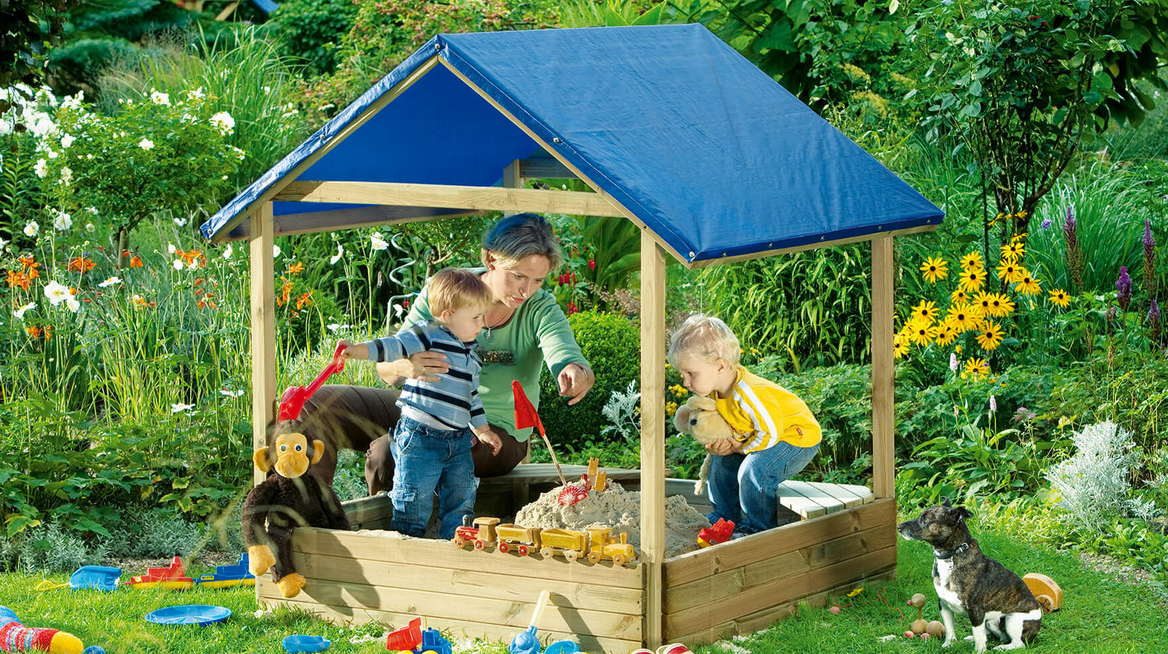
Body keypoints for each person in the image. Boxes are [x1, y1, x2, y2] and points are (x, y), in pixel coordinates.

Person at [291, 213, 595, 501]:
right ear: (490, 258)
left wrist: (575, 371)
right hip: (425, 408)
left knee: (391, 452)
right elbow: (387, 367)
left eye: (538, 281)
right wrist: (406, 366)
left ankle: (390, 538)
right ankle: (310, 517)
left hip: (496, 434)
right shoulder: (448, 291)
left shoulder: (540, 309)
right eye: (518, 276)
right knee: (317, 404)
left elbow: (565, 352)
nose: (526, 290)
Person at [337, 268, 503, 538]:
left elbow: (471, 397)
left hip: (459, 442)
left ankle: (454, 542)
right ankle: (409, 541)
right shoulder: (429, 334)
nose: (482, 323)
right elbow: (391, 345)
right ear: (448, 316)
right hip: (420, 438)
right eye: (475, 317)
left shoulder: (471, 356)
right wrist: (355, 350)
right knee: (414, 496)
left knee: (461, 496)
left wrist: (482, 430)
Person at [668, 314, 822, 536]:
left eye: (691, 373)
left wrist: (740, 448)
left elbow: (770, 433)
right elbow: (724, 428)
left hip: (795, 437)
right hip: (765, 436)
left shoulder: (748, 394)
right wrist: (721, 445)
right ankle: (724, 516)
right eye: (683, 374)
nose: (685, 382)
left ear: (720, 366)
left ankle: (757, 528)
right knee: (721, 463)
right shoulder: (714, 392)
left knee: (754, 470)